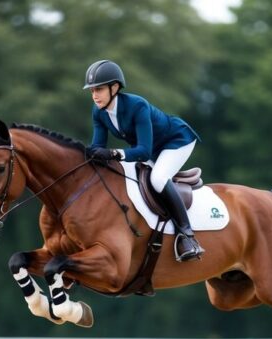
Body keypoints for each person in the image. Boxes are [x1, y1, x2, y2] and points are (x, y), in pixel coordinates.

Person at [83, 59, 204, 261]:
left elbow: (144, 152)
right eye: (92, 90)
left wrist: (113, 154)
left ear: (115, 87)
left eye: (99, 89)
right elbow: (97, 147)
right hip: (148, 147)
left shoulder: (136, 105)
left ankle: (187, 235)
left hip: (175, 141)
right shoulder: (99, 111)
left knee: (157, 179)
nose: (95, 95)